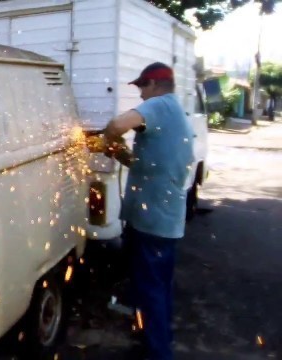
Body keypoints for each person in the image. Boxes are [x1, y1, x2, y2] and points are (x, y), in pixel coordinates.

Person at [103, 62, 194, 360]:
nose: (140, 94)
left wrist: (108, 138)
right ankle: (155, 339)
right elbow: (147, 165)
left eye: (142, 87)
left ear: (153, 84)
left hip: (153, 220)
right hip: (161, 218)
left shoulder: (161, 104)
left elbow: (117, 125)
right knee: (157, 288)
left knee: (151, 289)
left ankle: (158, 353)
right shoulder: (172, 112)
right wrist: (120, 154)